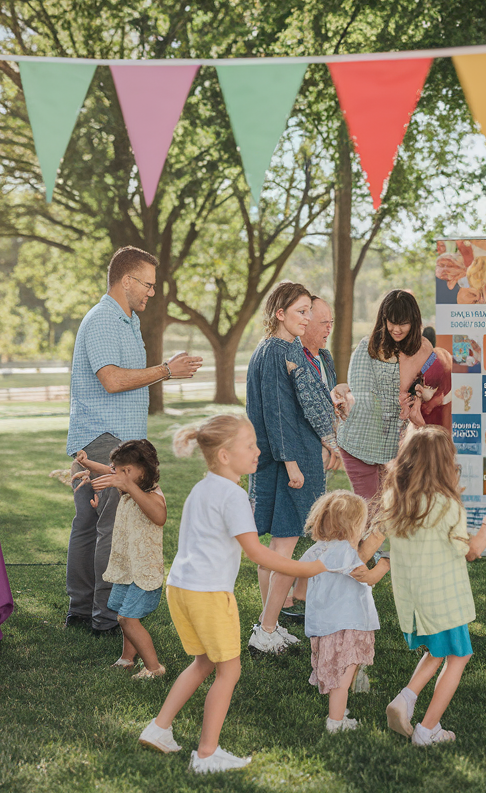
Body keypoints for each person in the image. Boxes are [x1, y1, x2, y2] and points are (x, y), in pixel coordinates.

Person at [138, 415, 327, 774]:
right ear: (225, 455)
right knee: (229, 671)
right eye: (250, 445)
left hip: (180, 587)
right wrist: (309, 569)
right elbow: (256, 553)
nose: (258, 451)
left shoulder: (202, 488)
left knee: (204, 662)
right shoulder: (234, 494)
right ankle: (207, 754)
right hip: (208, 593)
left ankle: (159, 728)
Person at [65, 246, 202, 636]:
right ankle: (105, 618)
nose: (152, 292)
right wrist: (166, 371)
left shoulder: (127, 320)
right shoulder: (105, 320)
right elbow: (111, 380)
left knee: (89, 525)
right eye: (148, 284)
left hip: (106, 438)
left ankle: (82, 610)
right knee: (109, 526)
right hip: (105, 440)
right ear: (126, 280)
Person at [378, 427, 486, 746]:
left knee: (437, 651)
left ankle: (405, 699)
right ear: (444, 463)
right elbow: (471, 551)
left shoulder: (396, 498)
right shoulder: (448, 504)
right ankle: (427, 729)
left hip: (413, 598)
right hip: (443, 598)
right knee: (458, 657)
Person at [245, 282, 334, 654]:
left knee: (281, 548)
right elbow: (275, 414)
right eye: (301, 311)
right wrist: (292, 464)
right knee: (282, 549)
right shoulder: (275, 351)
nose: (308, 318)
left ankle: (271, 625)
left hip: (298, 457)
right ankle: (266, 631)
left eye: (308, 312)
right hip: (289, 465)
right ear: (279, 314)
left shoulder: (287, 349)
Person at [295, 490, 390, 733]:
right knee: (342, 678)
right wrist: (385, 564)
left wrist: (296, 595)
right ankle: (336, 722)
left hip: (324, 624)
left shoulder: (317, 549)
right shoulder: (345, 553)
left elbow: (300, 587)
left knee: (339, 673)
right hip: (348, 623)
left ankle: (339, 713)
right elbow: (367, 578)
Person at [74, 439, 168, 677]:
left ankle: (154, 668)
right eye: (120, 471)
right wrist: (87, 463)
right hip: (127, 568)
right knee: (123, 612)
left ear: (144, 470)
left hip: (144, 571)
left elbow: (159, 517)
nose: (121, 476)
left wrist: (126, 483)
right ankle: (127, 658)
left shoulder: (152, 494)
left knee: (127, 619)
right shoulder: (127, 486)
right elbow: (109, 471)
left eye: (127, 471)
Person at [338, 290, 435, 504]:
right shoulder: (368, 348)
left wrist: (419, 397)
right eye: (392, 322)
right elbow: (363, 395)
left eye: (404, 323)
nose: (397, 329)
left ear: (414, 321)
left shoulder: (423, 349)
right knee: (370, 512)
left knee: (391, 512)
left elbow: (432, 386)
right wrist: (397, 406)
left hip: (395, 446)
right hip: (360, 443)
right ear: (383, 319)